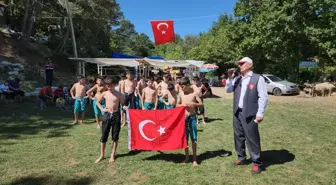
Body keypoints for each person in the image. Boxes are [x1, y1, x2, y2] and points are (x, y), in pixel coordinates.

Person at [226, 57, 268, 174]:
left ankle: (256, 162)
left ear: (250, 65)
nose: (239, 65)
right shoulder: (238, 78)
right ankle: (241, 158)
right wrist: (230, 78)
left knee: (252, 138)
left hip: (250, 113)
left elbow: (263, 97)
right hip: (237, 112)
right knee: (238, 136)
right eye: (239, 64)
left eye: (242, 63)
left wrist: (260, 113)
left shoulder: (258, 78)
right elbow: (228, 90)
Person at [95, 78, 125, 163]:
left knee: (115, 136)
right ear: (106, 86)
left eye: (111, 86)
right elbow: (97, 102)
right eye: (108, 86)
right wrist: (102, 109)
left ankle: (112, 155)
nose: (109, 88)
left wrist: (125, 107)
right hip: (107, 115)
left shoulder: (119, 94)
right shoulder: (104, 93)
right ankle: (102, 155)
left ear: (114, 85)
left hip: (116, 115)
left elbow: (123, 104)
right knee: (104, 136)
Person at [176, 77, 203, 166]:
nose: (181, 88)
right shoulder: (180, 93)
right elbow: (176, 104)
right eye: (180, 87)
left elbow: (201, 104)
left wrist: (194, 104)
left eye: (182, 86)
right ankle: (187, 157)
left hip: (192, 118)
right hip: (184, 118)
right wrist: (182, 105)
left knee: (193, 138)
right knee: (185, 139)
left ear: (188, 85)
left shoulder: (194, 94)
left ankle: (194, 159)